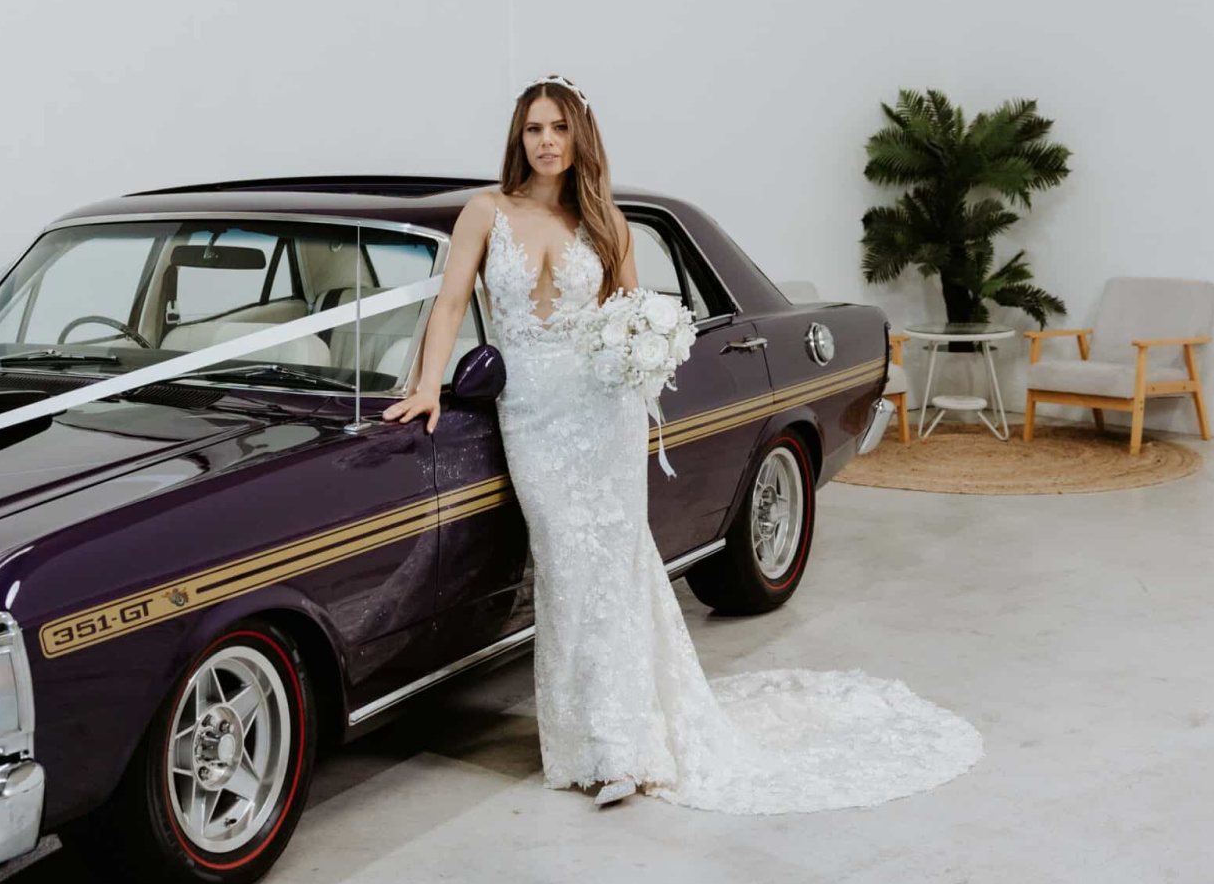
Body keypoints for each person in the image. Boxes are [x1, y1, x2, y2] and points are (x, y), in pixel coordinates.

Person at [382, 74, 982, 812]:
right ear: (519, 138)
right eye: (534, 129)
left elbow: (636, 316)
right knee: (569, 570)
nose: (545, 142)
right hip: (533, 416)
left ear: (579, 139)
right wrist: (430, 385)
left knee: (612, 567)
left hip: (603, 414)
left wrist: (642, 355)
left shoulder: (606, 224)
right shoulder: (486, 211)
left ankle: (622, 750)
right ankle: (581, 746)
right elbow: (448, 305)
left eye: (559, 129)